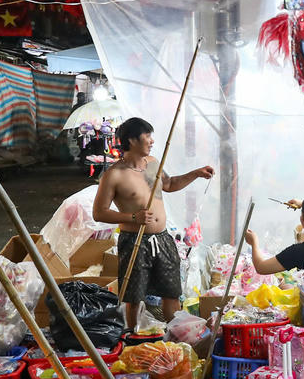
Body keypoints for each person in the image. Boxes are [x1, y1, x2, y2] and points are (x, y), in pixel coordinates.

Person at [92, 117, 214, 327]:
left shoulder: (153, 163)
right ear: (131, 140)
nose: (151, 141)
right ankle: (134, 336)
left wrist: (196, 173)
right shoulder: (113, 175)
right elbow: (99, 213)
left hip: (162, 238)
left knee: (172, 292)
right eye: (147, 136)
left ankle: (174, 336)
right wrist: (132, 217)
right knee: (134, 297)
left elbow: (170, 184)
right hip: (134, 241)